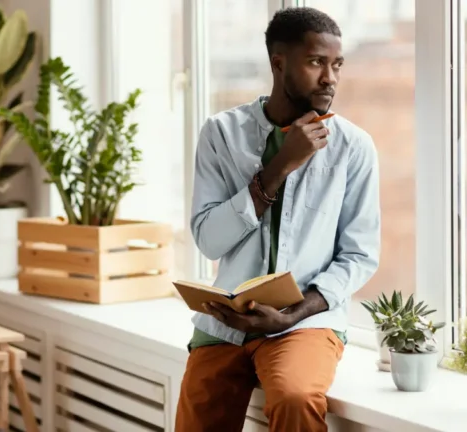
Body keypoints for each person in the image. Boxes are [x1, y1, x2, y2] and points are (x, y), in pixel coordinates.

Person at [175, 7, 381, 432]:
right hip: (227, 321)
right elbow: (209, 241)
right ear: (278, 62)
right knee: (198, 411)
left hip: (304, 322)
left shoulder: (354, 147)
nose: (330, 78)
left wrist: (292, 315)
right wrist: (279, 167)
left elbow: (359, 256)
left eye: (336, 64)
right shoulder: (221, 133)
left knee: (296, 397)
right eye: (316, 62)